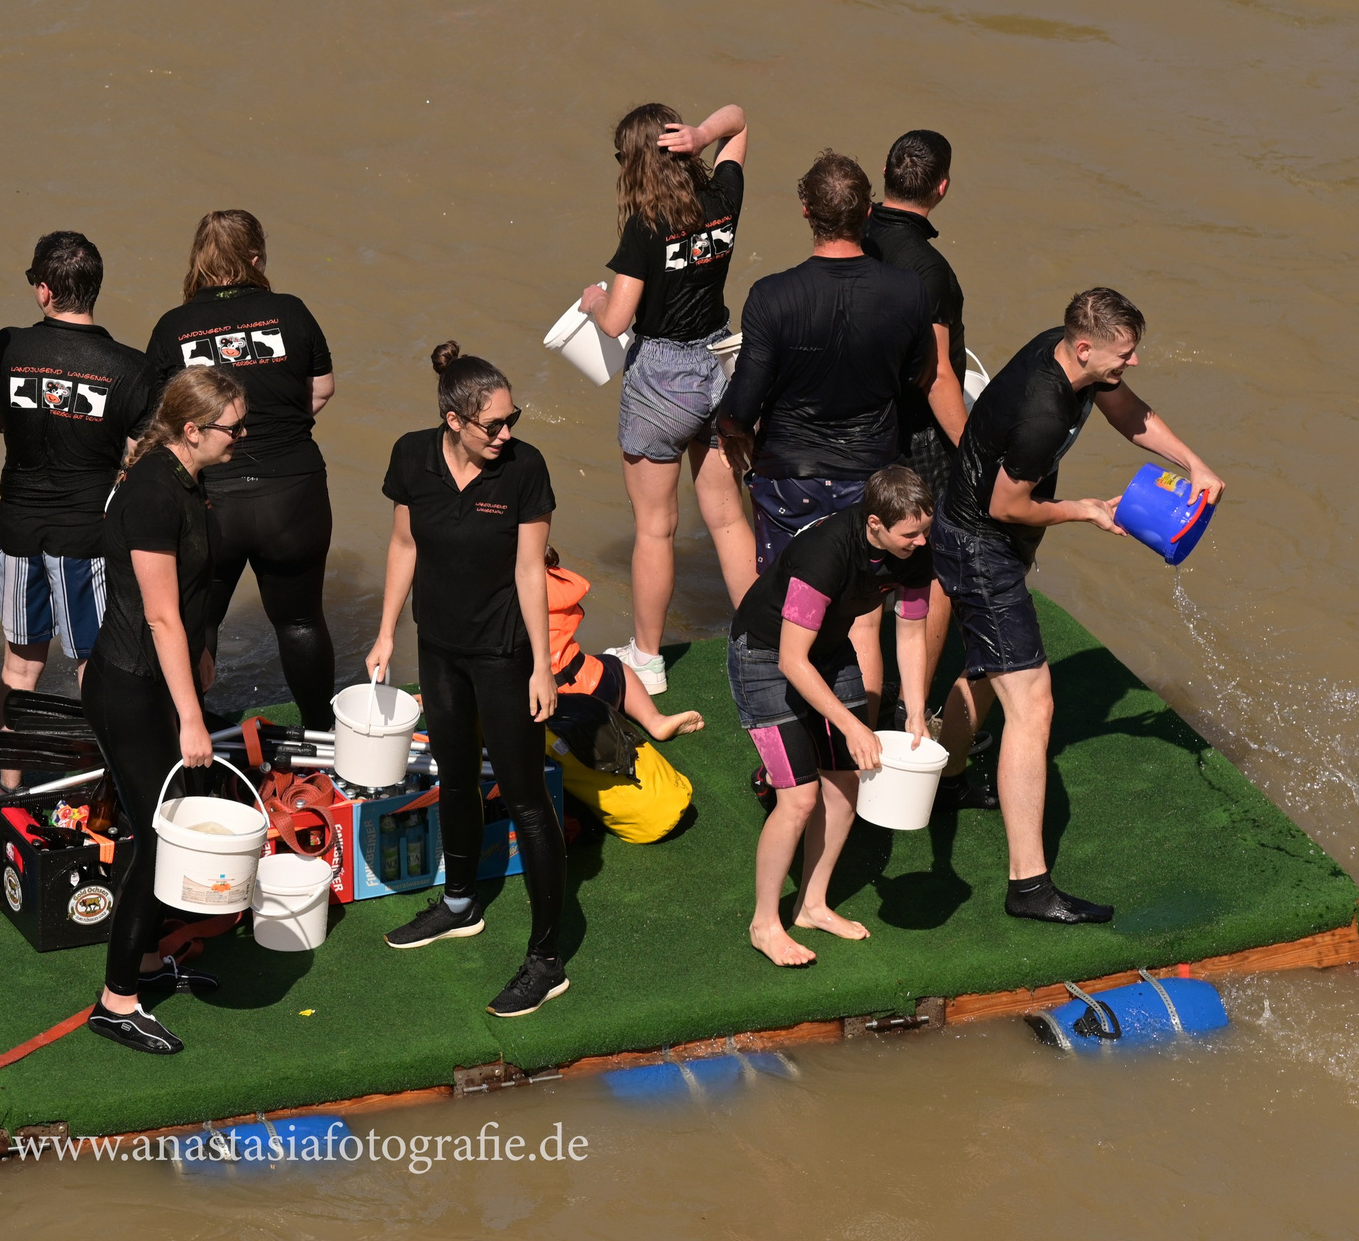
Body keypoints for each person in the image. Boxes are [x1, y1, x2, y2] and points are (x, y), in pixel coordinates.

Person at [914, 288, 1225, 926]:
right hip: (981, 545)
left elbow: (1126, 411)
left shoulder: (1072, 358)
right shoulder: (1042, 412)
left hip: (982, 534)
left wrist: (1193, 463)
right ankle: (1028, 886)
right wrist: (1085, 509)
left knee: (987, 665)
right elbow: (1008, 505)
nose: (1133, 363)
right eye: (1125, 353)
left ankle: (943, 782)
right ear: (1085, 347)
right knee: (1034, 705)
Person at [366, 344, 568, 1020]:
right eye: (495, 424)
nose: (507, 433)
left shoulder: (524, 469)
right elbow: (404, 545)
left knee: (525, 797)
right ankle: (459, 902)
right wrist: (388, 630)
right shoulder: (412, 456)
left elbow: (531, 571)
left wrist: (542, 664)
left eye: (512, 419)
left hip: (504, 653)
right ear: (454, 420)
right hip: (440, 648)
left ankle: (547, 958)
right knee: (454, 777)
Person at [715, 150, 929, 714]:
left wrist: (733, 431)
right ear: (868, 212)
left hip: (790, 480)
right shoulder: (907, 291)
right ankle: (866, 741)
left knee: (793, 614)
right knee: (862, 615)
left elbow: (741, 403)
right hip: (871, 478)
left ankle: (794, 740)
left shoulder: (772, 296)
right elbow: (921, 376)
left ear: (806, 210)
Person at [81, 367, 246, 1055]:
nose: (242, 436)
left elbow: (191, 594)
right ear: (191, 429)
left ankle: (147, 961)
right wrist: (191, 716)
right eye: (233, 427)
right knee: (158, 839)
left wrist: (203, 655)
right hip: (130, 688)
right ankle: (116, 1000)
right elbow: (159, 614)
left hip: (157, 682)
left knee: (162, 827)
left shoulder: (184, 476)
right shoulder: (152, 491)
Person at [578, 102, 758, 698]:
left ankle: (648, 660)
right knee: (729, 515)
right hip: (720, 364)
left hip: (662, 377)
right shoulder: (722, 200)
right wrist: (707, 134)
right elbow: (740, 121)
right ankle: (759, 639)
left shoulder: (646, 226)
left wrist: (594, 300)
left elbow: (617, 322)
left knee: (656, 527)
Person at [728, 465, 935, 968]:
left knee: (845, 782)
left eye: (926, 529)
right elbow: (790, 661)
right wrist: (852, 723)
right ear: (873, 525)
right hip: (764, 656)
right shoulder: (824, 554)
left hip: (829, 651)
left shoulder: (915, 554)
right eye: (911, 534)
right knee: (797, 798)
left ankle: (813, 905)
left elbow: (910, 633)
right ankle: (764, 923)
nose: (922, 542)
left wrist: (914, 711)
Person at [143, 211, 339, 730]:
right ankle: (322, 736)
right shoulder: (290, 311)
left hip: (212, 499)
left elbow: (156, 420)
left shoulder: (173, 326)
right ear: (254, 258)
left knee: (198, 620)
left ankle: (192, 734)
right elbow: (321, 389)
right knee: (299, 620)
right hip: (293, 493)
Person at [0, 231, 153, 785]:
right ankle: (92, 784)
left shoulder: (8, 345)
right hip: (87, 535)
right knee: (89, 665)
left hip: (19, 529)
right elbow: (139, 452)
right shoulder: (131, 366)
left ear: (44, 290)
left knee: (19, 665)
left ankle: (9, 790)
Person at [859, 130, 987, 807]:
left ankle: (858, 698)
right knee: (931, 575)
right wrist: (974, 452)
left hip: (858, 429)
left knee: (867, 574)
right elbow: (940, 377)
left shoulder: (856, 235)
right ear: (941, 187)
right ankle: (914, 710)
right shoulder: (930, 272)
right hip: (915, 437)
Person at [543, 550, 702, 742]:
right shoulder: (554, 580)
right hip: (599, 691)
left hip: (548, 708)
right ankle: (655, 720)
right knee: (614, 665)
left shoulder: (503, 595)